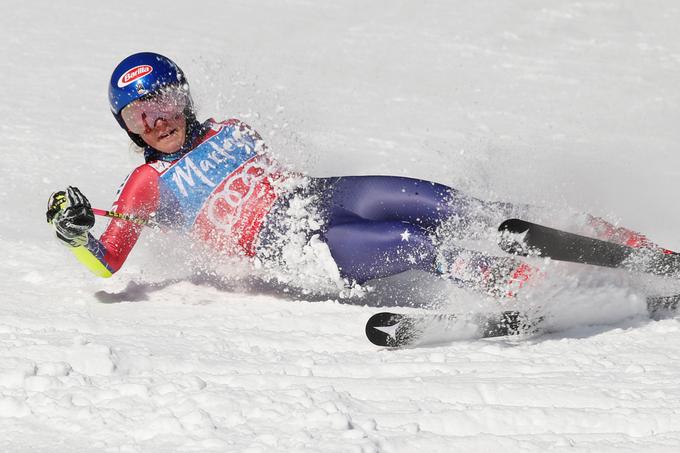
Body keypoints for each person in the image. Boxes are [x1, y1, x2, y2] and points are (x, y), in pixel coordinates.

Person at [45, 52, 663, 299]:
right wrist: (78, 235)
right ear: (126, 126)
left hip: (319, 199)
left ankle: (606, 239)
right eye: (139, 114)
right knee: (417, 243)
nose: (156, 122)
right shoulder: (146, 185)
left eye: (164, 102)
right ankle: (532, 287)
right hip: (291, 247)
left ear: (184, 98)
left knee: (441, 201)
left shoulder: (231, 127)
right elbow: (108, 261)